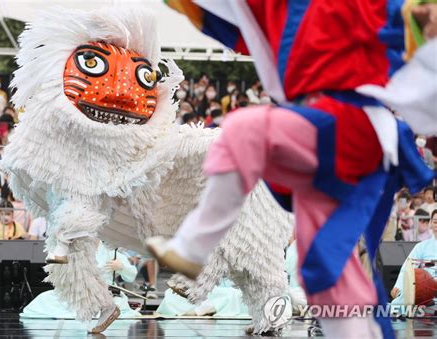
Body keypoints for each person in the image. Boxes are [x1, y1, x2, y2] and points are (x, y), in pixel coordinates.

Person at [152, 1, 437, 338]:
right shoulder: (274, 6)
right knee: (323, 267)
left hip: (350, 124)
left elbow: (409, 16)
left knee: (244, 130)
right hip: (317, 139)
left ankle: (193, 247)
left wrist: (424, 13)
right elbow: (235, 20)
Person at [20, 240, 140, 319]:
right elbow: (51, 261)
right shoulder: (74, 247)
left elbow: (131, 275)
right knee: (44, 299)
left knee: (114, 304)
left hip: (103, 294)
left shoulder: (110, 252)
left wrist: (121, 267)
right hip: (76, 292)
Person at [390, 209, 437, 311]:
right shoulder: (422, 246)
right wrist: (399, 286)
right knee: (398, 304)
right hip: (425, 292)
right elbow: (408, 266)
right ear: (431, 224)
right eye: (435, 222)